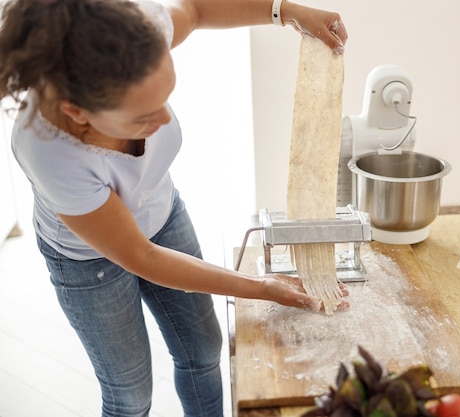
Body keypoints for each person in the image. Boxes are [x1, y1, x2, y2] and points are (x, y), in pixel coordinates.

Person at [0, 0, 348, 416]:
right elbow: (140, 256)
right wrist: (259, 287)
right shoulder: (46, 150)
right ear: (79, 114)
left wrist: (285, 11)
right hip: (86, 260)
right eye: (143, 115)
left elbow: (197, 11)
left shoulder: (135, 37)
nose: (165, 120)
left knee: (204, 350)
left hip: (161, 214)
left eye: (166, 97)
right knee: (129, 395)